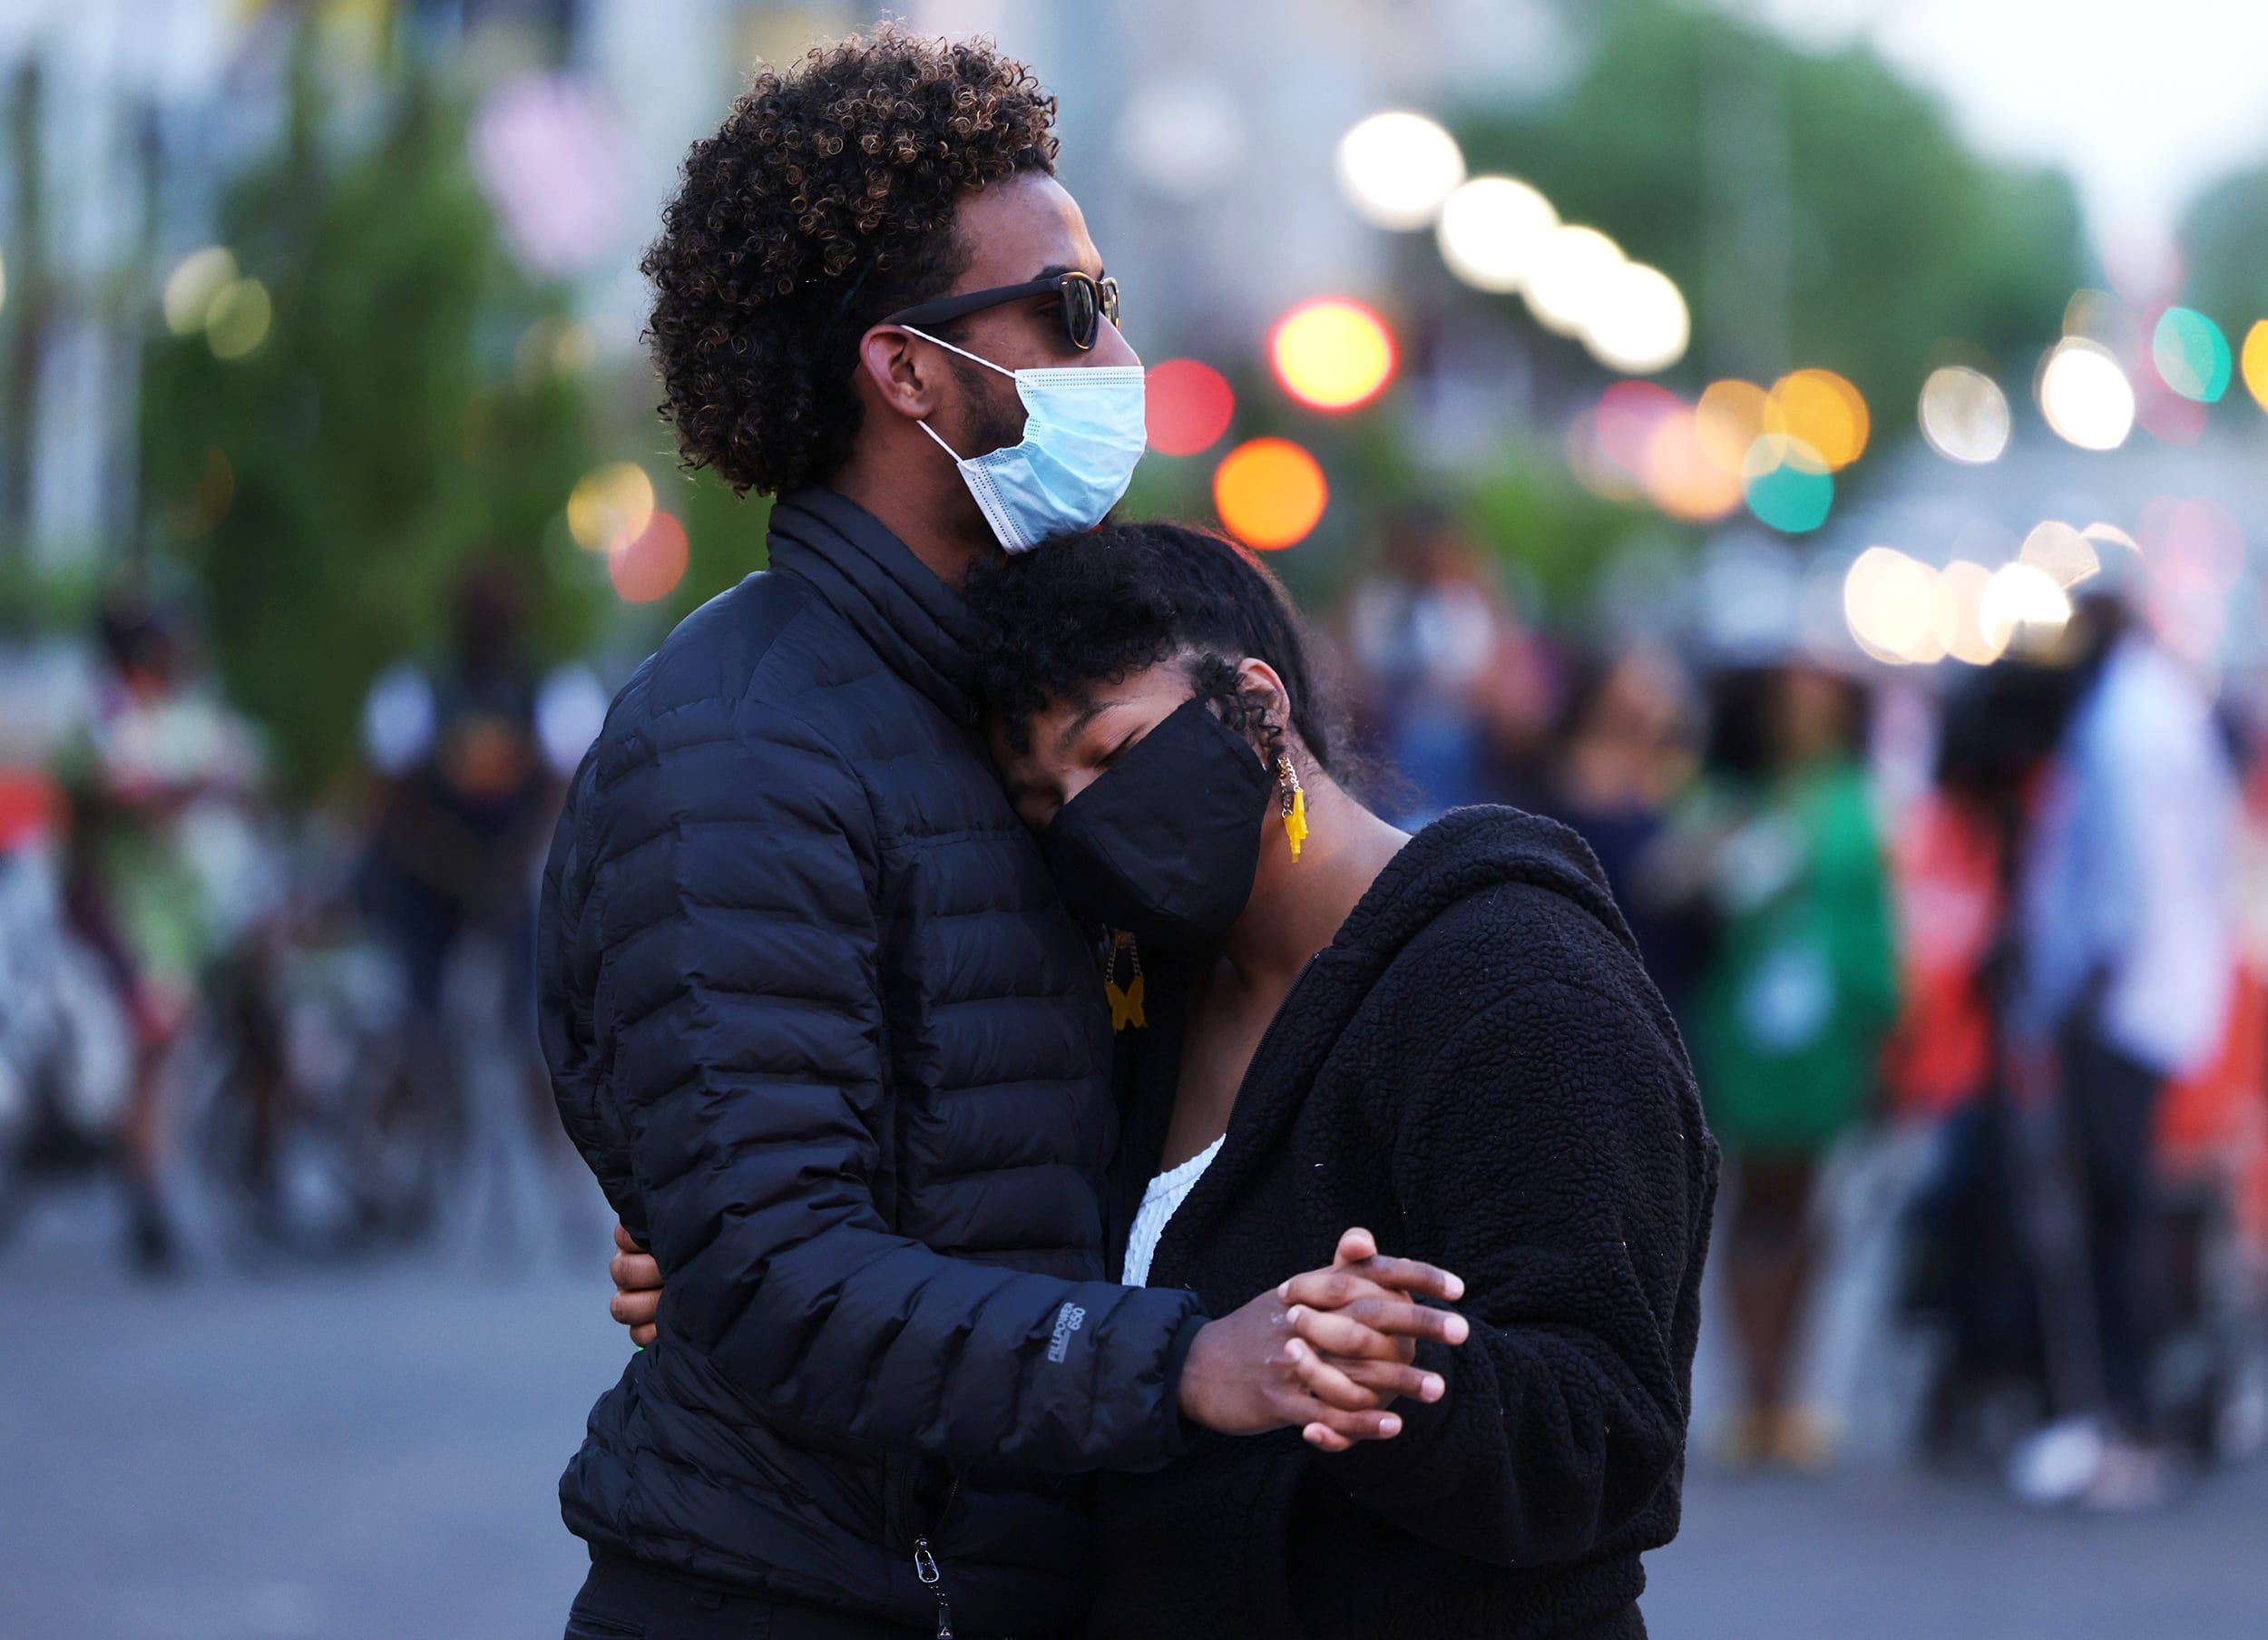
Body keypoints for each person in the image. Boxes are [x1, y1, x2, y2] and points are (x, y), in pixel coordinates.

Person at [543, 31, 1460, 1640]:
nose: (1120, 353)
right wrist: (1186, 1359)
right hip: (803, 1597)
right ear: (907, 370)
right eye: (1075, 307)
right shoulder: (743, 741)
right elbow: (771, 1269)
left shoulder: (1022, 706)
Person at [619, 522, 1718, 1637]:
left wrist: (1395, 1381)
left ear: (1255, 703)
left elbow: (1610, 1430)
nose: (1083, 813)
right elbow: (1015, 1262)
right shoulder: (1133, 993)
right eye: (1041, 799)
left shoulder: (1514, 981)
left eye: (1111, 750)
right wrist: (747, 1255)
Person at [1672, 663, 1897, 1469]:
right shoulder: (1731, 796)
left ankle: (1790, 1390)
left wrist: (1882, 1023)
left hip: (1826, 1030)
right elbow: (1677, 883)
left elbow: (1876, 915)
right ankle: (1755, 1391)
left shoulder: (1852, 800)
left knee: (1807, 1205)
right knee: (1747, 1204)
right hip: (1745, 1026)